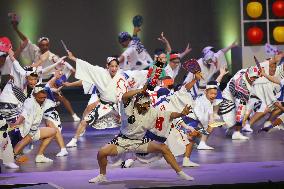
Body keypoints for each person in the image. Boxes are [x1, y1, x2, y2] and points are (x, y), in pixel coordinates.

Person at [88, 85, 194, 183]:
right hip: (122, 140)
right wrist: (140, 90)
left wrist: (181, 113)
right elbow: (125, 96)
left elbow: (169, 115)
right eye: (145, 105)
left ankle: (181, 173)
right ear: (137, 103)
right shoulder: (127, 107)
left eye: (149, 104)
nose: (147, 107)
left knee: (164, 148)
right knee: (101, 153)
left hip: (141, 140)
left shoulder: (152, 111)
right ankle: (102, 175)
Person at [11, 21, 80, 122]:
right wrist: (16, 29)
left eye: (46, 45)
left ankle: (73, 114)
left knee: (59, 96)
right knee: (30, 98)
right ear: (39, 45)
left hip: (49, 80)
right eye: (42, 45)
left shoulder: (52, 56)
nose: (44, 47)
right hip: (36, 79)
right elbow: (25, 40)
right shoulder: (35, 50)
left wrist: (74, 71)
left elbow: (64, 64)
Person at [66, 53, 128, 148]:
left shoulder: (121, 78)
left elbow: (122, 97)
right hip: (103, 104)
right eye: (112, 66)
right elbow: (88, 66)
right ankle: (74, 140)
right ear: (107, 66)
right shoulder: (100, 73)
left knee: (128, 121)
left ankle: (127, 138)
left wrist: (121, 113)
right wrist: (73, 58)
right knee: (85, 121)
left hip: (116, 105)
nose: (114, 68)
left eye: (116, 66)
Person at [11, 86, 57, 163]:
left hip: (33, 130)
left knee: (53, 131)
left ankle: (39, 156)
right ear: (34, 95)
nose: (42, 99)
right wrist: (17, 123)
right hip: (25, 131)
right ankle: (11, 160)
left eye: (44, 97)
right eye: (40, 98)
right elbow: (24, 115)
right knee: (16, 151)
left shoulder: (43, 101)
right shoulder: (29, 103)